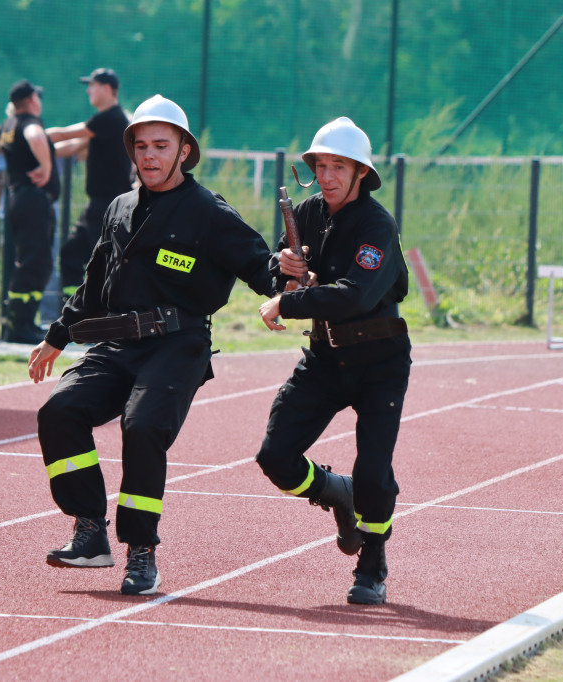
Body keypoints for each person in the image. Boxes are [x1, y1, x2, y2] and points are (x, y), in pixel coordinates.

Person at [28, 95, 295, 596]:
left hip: (178, 344)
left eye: (161, 146)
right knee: (59, 413)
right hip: (113, 344)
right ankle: (89, 533)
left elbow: (264, 269)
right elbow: (91, 282)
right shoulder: (119, 207)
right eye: (141, 146)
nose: (149, 156)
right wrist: (56, 337)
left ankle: (141, 551)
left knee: (144, 425)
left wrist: (287, 278)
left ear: (183, 151)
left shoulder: (209, 212)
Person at [255, 117, 411, 605]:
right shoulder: (305, 211)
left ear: (361, 171)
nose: (326, 175)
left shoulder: (377, 225)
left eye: (338, 166)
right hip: (325, 356)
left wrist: (289, 302)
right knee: (274, 457)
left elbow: (354, 297)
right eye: (320, 165)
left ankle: (373, 562)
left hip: (379, 360)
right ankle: (332, 491)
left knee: (373, 472)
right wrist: (283, 271)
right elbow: (276, 273)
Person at [47, 68, 133, 299]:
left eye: (92, 85)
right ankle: (74, 315)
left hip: (110, 205)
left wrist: (29, 137)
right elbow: (72, 146)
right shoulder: (104, 124)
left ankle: (103, 316)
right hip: (97, 205)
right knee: (71, 255)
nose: (88, 90)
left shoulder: (112, 118)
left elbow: (65, 134)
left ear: (107, 89)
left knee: (106, 262)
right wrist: (37, 153)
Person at [0, 80, 60, 344]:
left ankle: (23, 322)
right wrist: (46, 165)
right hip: (33, 200)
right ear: (32, 99)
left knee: (31, 262)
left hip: (19, 198)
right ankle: (19, 326)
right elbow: (35, 134)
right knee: (35, 263)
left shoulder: (8, 125)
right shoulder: (30, 123)